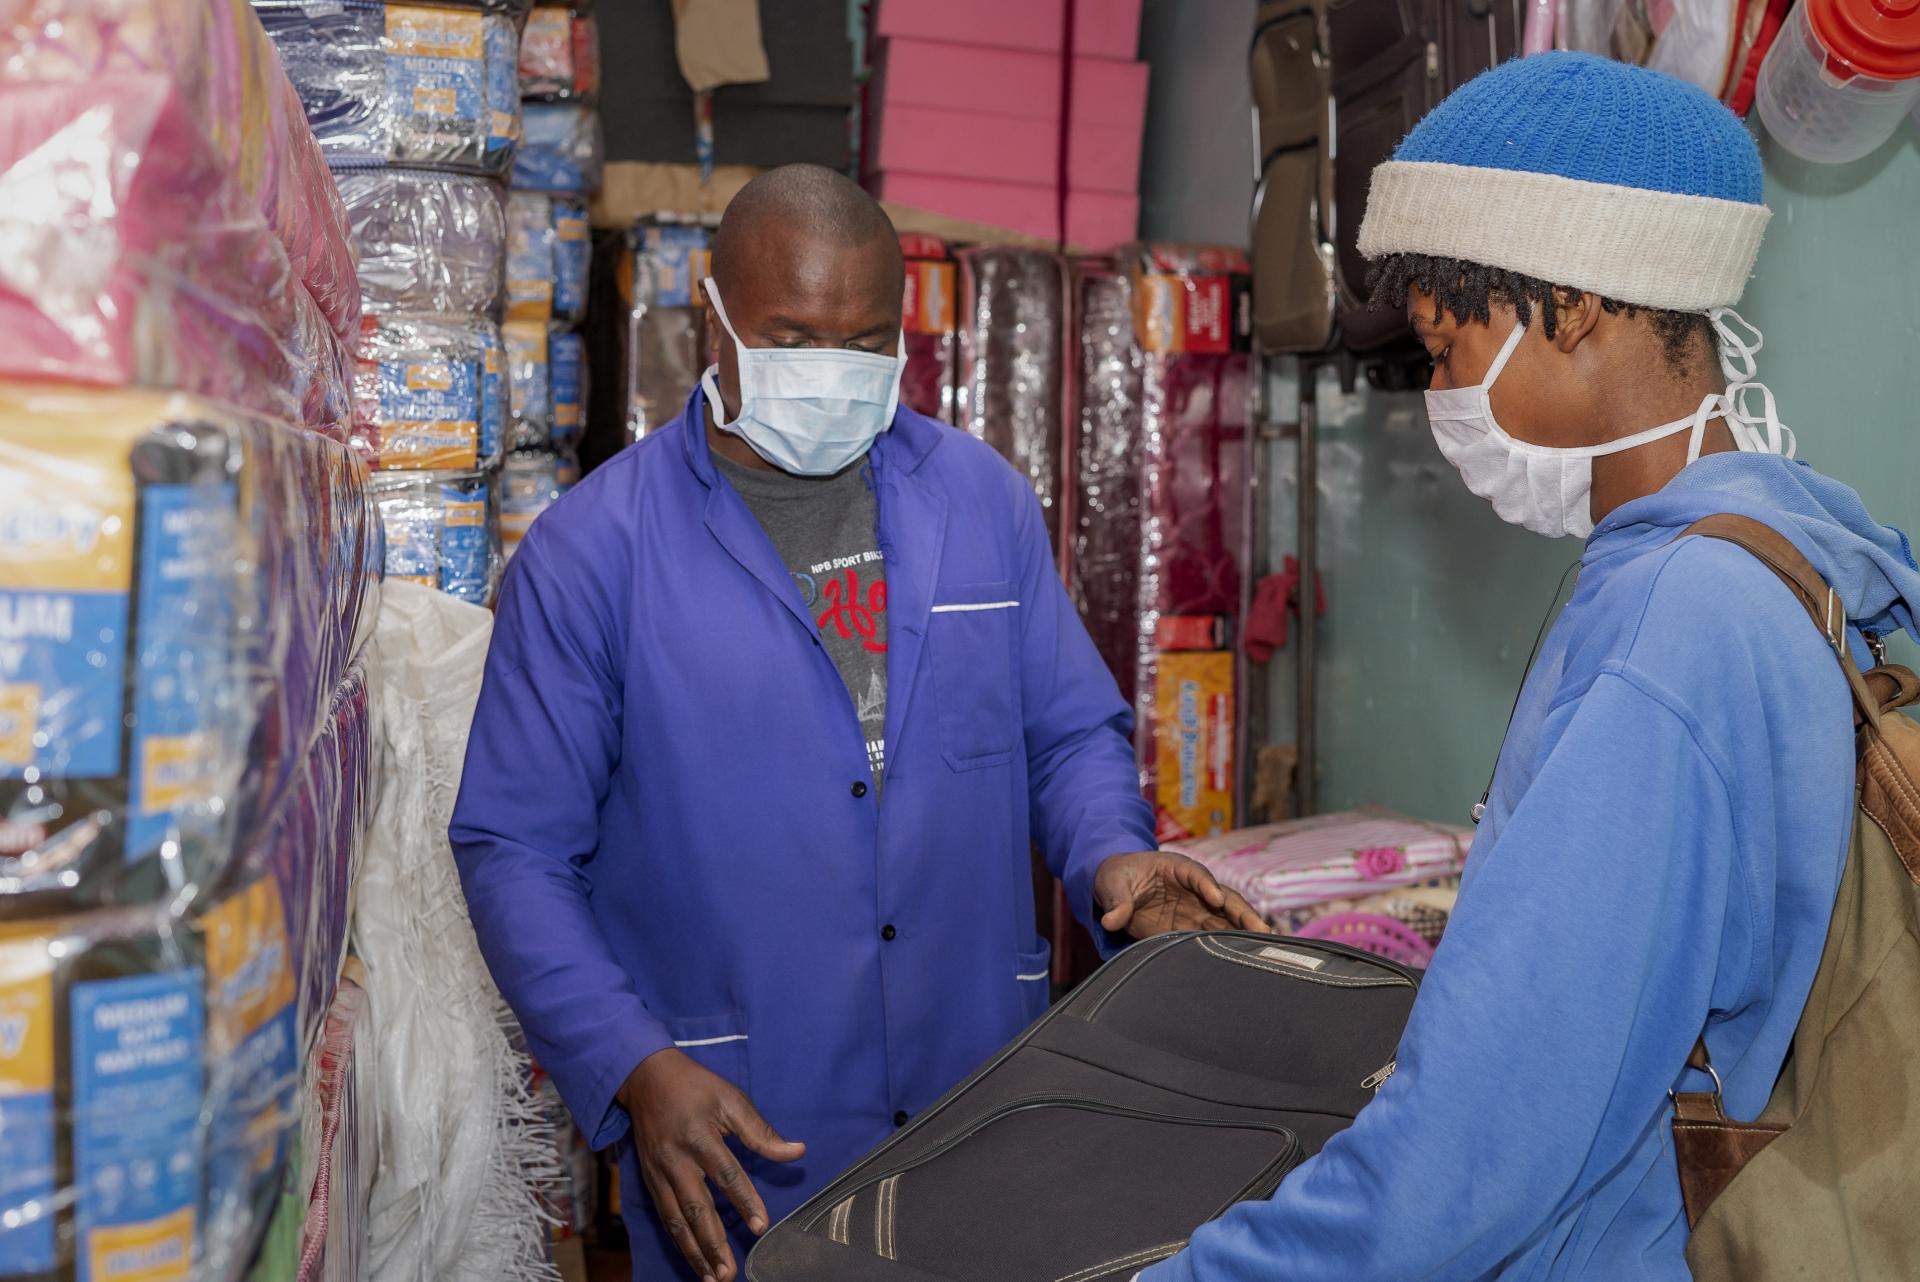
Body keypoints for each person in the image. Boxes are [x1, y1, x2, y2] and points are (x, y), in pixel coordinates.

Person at [1140, 53, 1919, 1282]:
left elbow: (1470, 1159)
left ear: (1572, 306)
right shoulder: (1778, 548)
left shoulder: (1676, 630)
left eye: (1449, 351)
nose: (1440, 395)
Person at [450, 164, 1264, 1282]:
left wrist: (1117, 856)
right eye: (793, 336)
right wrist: (632, 1064)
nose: (830, 372)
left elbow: (1067, 733)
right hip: (740, 1132)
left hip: (983, 1100)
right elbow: (515, 851)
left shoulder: (979, 500)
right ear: (713, 319)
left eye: (866, 342)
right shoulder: (593, 555)